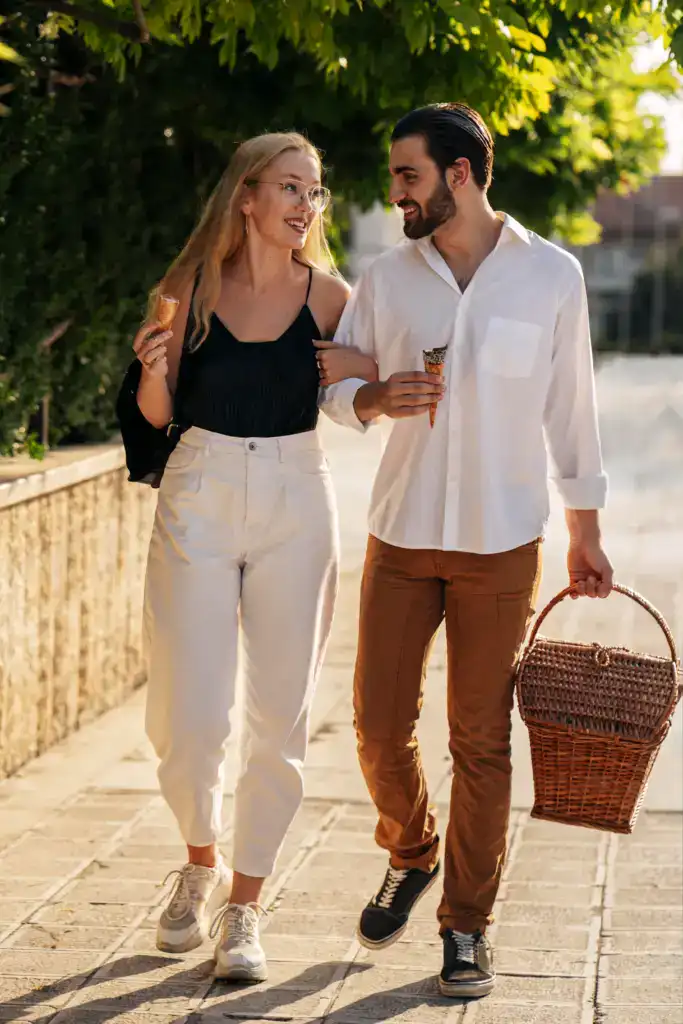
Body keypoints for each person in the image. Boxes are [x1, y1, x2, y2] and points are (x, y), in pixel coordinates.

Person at [320, 103, 614, 1000]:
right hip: (401, 529)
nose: (393, 192)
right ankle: (412, 852)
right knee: (375, 725)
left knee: (480, 741)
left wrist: (584, 530)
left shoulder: (551, 276)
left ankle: (465, 929)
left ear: (458, 174)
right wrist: (374, 399)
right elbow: (335, 382)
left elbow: (571, 407)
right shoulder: (385, 276)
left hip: (501, 539)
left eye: (406, 175)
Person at [132, 132, 376, 982]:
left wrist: (360, 372)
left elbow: (359, 392)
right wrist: (153, 372)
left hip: (294, 500)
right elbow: (153, 421)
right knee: (188, 715)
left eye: (314, 189)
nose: (306, 204)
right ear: (246, 196)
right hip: (197, 489)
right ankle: (197, 863)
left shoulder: (332, 298)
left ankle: (244, 905)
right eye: (288, 187)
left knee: (279, 717)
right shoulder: (187, 288)